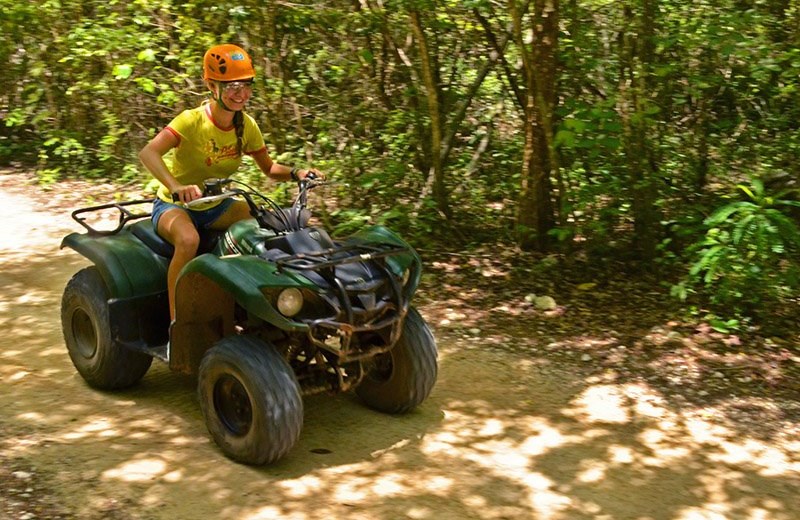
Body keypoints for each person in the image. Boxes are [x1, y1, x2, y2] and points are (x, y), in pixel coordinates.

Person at [139, 43, 322, 320]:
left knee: (273, 223)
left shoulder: (246, 125)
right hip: (175, 207)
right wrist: (175, 187)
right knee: (188, 240)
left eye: (247, 85)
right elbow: (148, 153)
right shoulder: (191, 121)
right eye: (233, 86)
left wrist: (296, 172)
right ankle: (178, 321)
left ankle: (276, 300)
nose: (242, 94)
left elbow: (270, 168)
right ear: (212, 86)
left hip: (216, 205)